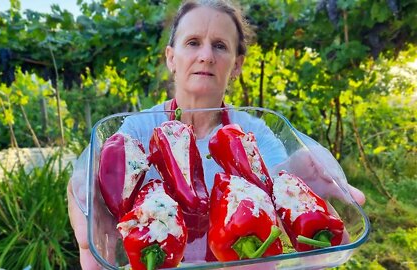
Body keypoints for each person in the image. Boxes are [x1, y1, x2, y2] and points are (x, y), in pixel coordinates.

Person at [67, 0, 366, 268]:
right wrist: (82, 189)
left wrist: (298, 190)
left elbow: (275, 181)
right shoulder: (137, 130)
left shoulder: (252, 132)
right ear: (171, 57)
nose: (206, 55)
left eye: (220, 45)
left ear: (236, 65)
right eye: (193, 42)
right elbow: (101, 176)